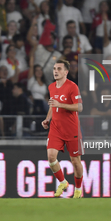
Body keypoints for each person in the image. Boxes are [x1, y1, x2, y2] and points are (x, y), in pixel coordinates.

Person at [41, 59, 84, 198]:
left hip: (71, 129)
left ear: (66, 72)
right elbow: (53, 105)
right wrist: (48, 119)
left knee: (76, 162)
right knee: (51, 157)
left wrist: (61, 104)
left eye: (59, 69)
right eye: (54, 68)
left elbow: (79, 107)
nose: (55, 71)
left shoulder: (72, 87)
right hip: (56, 128)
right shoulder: (51, 87)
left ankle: (78, 189)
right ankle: (63, 182)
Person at [27, 48, 48, 115]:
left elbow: (46, 97)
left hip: (43, 105)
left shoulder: (45, 84)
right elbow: (31, 66)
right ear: (34, 72)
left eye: (40, 70)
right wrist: (32, 52)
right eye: (37, 70)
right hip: (33, 103)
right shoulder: (32, 80)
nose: (39, 72)